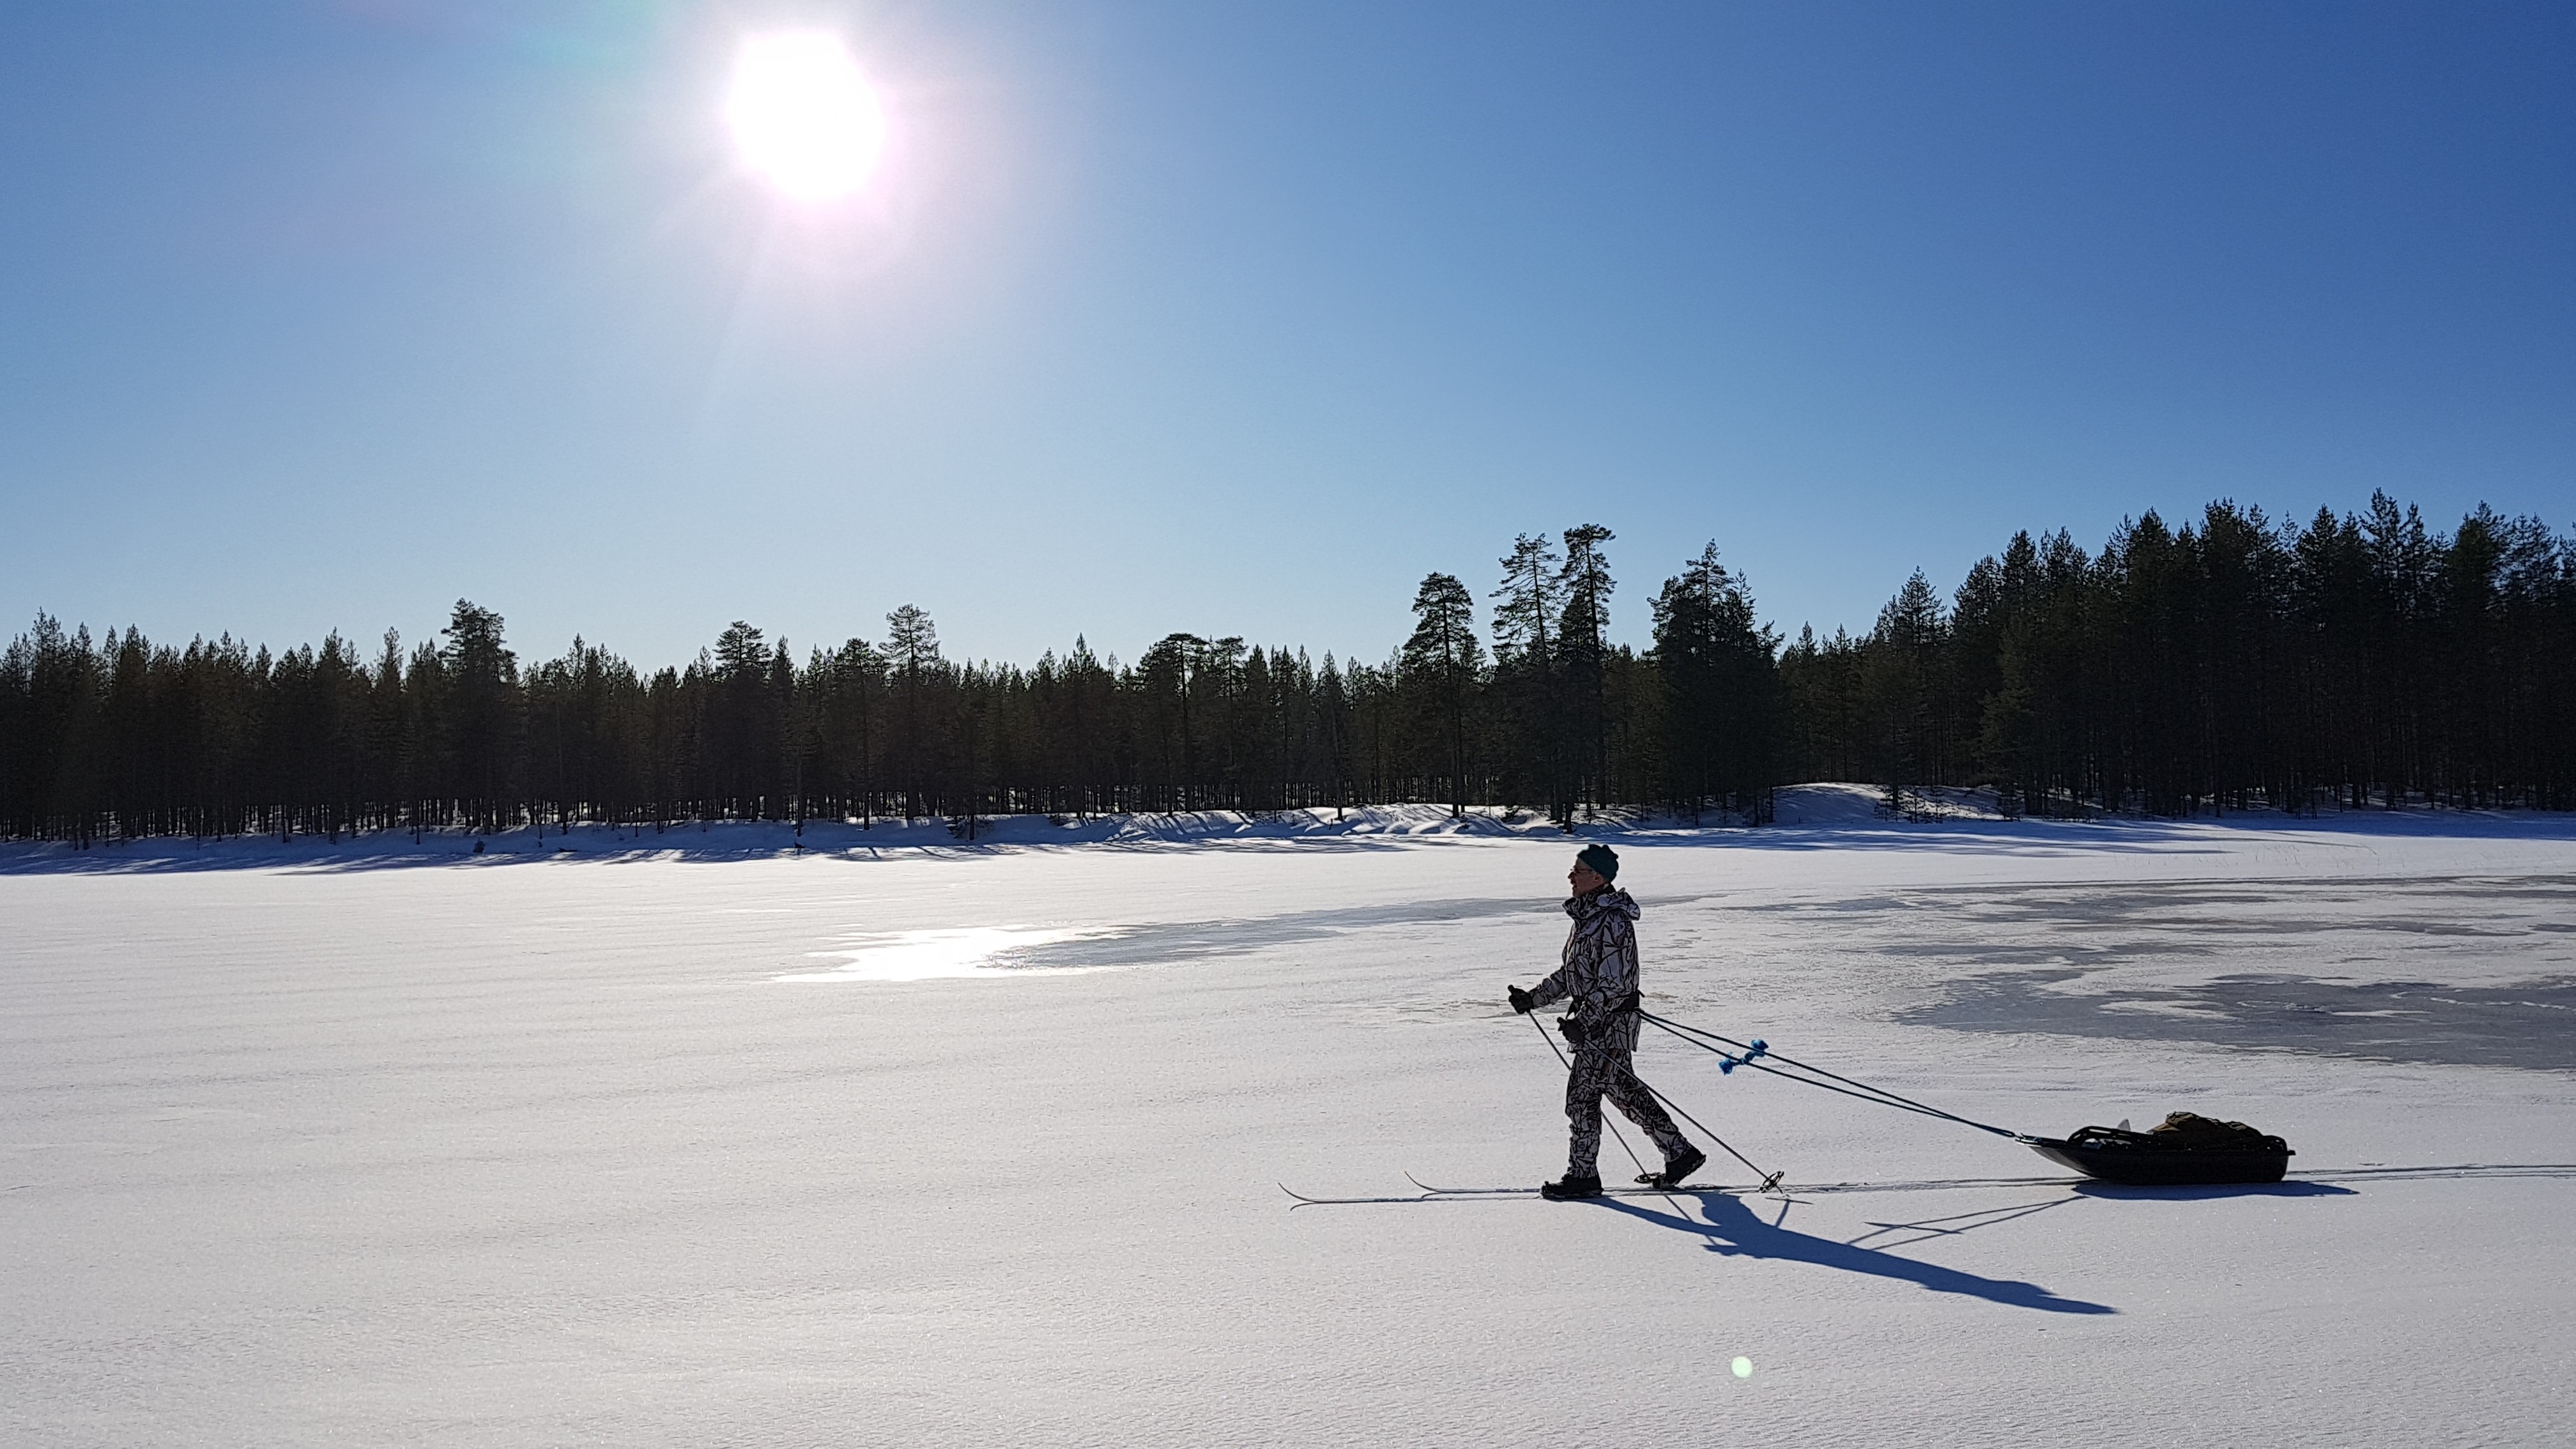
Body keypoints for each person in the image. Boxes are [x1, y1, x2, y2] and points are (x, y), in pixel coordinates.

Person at [1508, 843, 1705, 1199]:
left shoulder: (1612, 921)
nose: (1571, 877)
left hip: (1609, 1026)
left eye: (1578, 871)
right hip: (1599, 1025)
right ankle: (1679, 1153)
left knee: (1581, 1098)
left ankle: (1583, 1176)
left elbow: (1614, 984)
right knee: (1625, 1092)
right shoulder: (1588, 919)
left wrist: (1583, 1022)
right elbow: (1573, 974)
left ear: (1597, 878)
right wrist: (1533, 998)